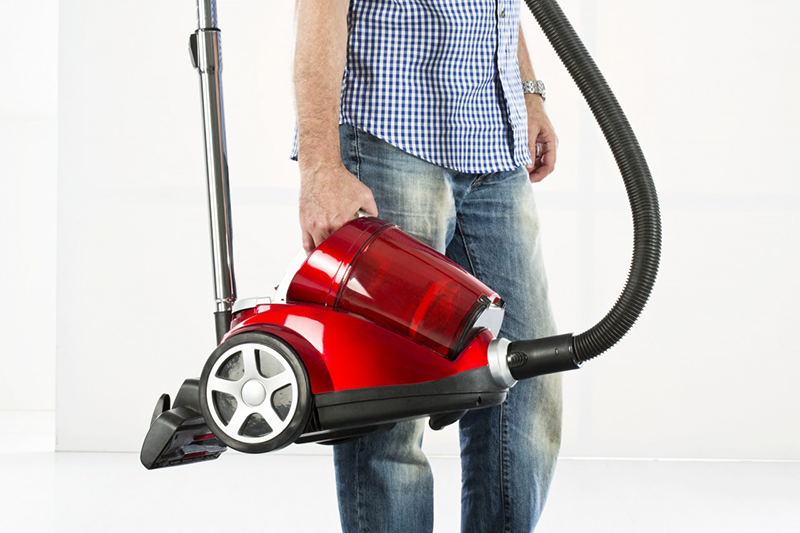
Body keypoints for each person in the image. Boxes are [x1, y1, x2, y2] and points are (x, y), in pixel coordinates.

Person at [292, 1, 562, 531]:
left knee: (524, 376)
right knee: (388, 400)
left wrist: (529, 95)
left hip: (493, 139)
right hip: (391, 136)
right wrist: (321, 164)